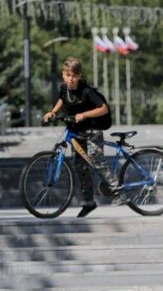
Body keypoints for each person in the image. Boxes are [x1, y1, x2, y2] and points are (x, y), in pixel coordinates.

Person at [43, 57, 126, 217]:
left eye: (74, 76)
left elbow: (104, 108)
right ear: (63, 74)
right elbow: (61, 100)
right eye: (68, 75)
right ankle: (89, 202)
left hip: (92, 131)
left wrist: (85, 114)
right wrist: (52, 112)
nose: (71, 79)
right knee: (80, 166)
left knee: (96, 160)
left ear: (79, 76)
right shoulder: (64, 88)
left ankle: (119, 192)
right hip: (76, 132)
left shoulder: (87, 91)